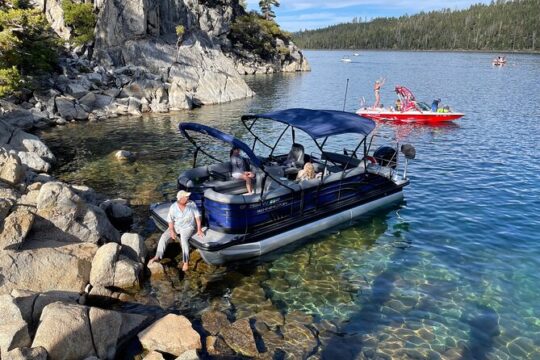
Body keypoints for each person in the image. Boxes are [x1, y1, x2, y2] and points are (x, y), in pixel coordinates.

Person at [149, 190, 204, 271]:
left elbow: (197, 217)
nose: (188, 197)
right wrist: (171, 231)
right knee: (164, 236)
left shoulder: (191, 204)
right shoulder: (173, 207)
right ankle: (157, 256)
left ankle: (185, 262)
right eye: (186, 196)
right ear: (181, 198)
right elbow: (170, 220)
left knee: (183, 239)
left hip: (188, 227)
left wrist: (199, 229)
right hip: (177, 226)